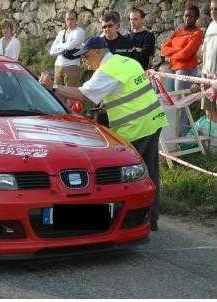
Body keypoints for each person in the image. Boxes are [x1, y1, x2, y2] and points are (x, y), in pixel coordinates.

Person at [40, 36, 168, 231]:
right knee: (151, 174)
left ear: (98, 52)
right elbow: (123, 91)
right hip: (153, 120)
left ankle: (124, 221)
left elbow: (83, 93)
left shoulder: (107, 70)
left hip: (135, 128)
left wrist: (53, 87)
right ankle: (151, 220)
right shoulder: (126, 61)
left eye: (86, 56)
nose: (84, 60)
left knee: (127, 178)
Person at [161, 5, 203, 136]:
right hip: (172, 69)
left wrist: (172, 54)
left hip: (185, 70)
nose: (187, 18)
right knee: (169, 100)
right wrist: (177, 51)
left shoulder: (197, 33)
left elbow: (187, 54)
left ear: (196, 18)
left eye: (191, 16)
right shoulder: (178, 32)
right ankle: (170, 133)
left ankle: (182, 134)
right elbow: (163, 48)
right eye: (186, 15)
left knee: (182, 102)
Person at [49, 10, 85, 87]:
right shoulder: (61, 33)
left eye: (72, 19)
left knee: (70, 93)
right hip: (58, 66)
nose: (70, 21)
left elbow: (70, 46)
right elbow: (52, 52)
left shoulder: (79, 32)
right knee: (56, 92)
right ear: (65, 20)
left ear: (76, 20)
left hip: (72, 66)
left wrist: (59, 46)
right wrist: (64, 48)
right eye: (68, 19)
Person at [201, 0, 217, 122]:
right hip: (208, 76)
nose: (212, 12)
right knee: (209, 111)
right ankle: (213, 140)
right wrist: (203, 74)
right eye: (211, 9)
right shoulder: (211, 26)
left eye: (215, 9)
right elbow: (205, 51)